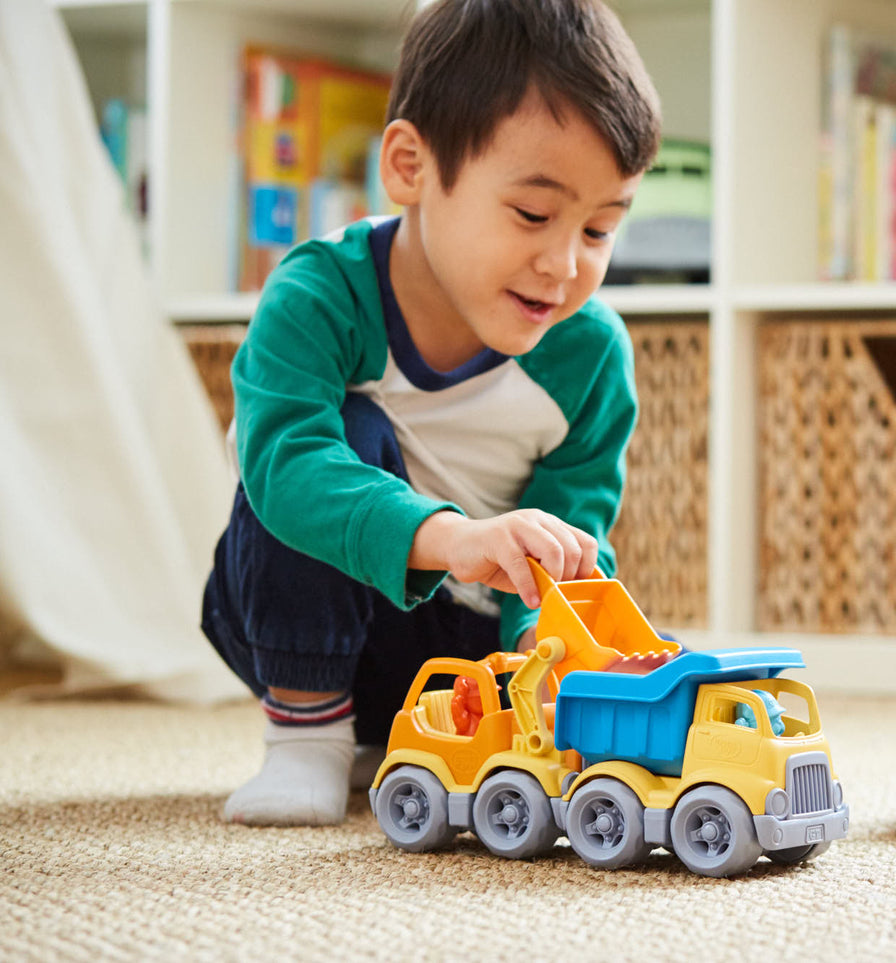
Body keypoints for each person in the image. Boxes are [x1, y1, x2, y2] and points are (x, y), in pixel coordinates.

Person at [200, 0, 661, 827]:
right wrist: (455, 538)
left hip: (464, 651)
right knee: (344, 430)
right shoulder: (318, 296)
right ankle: (308, 736)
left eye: (598, 229)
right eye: (532, 214)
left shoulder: (588, 354)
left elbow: (570, 524)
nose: (563, 264)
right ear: (411, 166)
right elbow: (286, 467)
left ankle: (404, 737)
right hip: (285, 618)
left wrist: (548, 653)